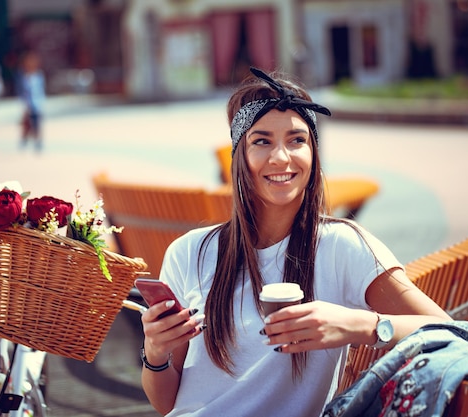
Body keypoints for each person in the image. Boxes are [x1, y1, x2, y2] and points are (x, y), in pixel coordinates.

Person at [139, 67, 451, 417]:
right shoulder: (189, 252)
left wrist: (361, 325)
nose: (281, 158)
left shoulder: (341, 247)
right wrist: (155, 351)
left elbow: (449, 331)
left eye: (296, 140)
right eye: (262, 141)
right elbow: (165, 403)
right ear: (239, 156)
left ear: (313, 152)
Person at [17, 51, 46, 151]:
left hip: (37, 104)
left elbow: (40, 91)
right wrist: (24, 105)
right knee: (27, 124)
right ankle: (24, 141)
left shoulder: (38, 76)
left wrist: (41, 103)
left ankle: (38, 142)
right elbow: (22, 92)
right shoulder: (24, 77)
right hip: (28, 104)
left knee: (37, 124)